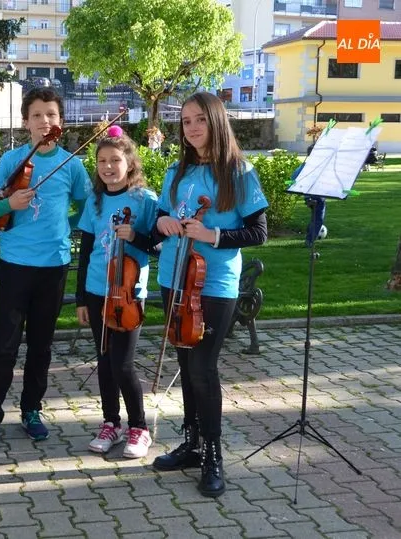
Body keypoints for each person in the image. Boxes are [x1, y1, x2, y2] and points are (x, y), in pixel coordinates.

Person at [151, 92, 268, 497]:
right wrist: (163, 220)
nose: (192, 127)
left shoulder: (238, 171)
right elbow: (158, 225)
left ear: (216, 122)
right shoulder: (176, 171)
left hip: (214, 282)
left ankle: (214, 453)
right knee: (186, 362)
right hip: (173, 276)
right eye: (185, 122)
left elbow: (258, 231)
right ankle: (192, 442)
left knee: (203, 367)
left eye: (199, 119)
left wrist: (212, 234)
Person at [0, 87, 90, 453]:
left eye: (51, 115)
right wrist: (10, 201)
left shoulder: (72, 164)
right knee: (4, 347)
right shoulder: (12, 161)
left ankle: (32, 410)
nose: (44, 122)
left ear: (61, 121)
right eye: (37, 116)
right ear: (26, 123)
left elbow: (85, 208)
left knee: (41, 346)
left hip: (53, 267)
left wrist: (64, 226)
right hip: (15, 266)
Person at [74, 126, 158, 459]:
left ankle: (139, 427)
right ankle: (111, 423)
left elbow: (159, 244)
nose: (108, 167)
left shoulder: (144, 200)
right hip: (97, 290)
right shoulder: (95, 201)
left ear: (130, 163)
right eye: (102, 161)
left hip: (129, 293)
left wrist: (135, 236)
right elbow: (86, 251)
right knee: (105, 361)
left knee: (123, 364)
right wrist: (81, 297)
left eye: (115, 160)